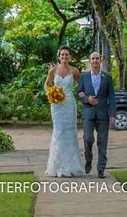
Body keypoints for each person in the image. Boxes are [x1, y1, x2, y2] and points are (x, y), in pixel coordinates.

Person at [44, 46, 86, 177]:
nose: (64, 57)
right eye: (62, 55)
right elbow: (46, 84)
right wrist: (50, 93)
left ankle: (71, 166)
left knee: (70, 132)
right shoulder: (53, 70)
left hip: (69, 105)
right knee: (58, 132)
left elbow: (82, 85)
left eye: (67, 55)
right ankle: (56, 166)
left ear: (70, 56)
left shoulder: (74, 71)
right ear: (59, 56)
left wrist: (83, 94)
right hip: (56, 105)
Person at [76, 51, 116, 178]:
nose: (95, 61)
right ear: (89, 61)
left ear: (101, 60)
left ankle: (101, 169)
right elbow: (79, 93)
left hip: (103, 113)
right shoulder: (84, 76)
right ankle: (88, 160)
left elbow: (112, 97)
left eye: (97, 58)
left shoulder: (107, 77)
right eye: (92, 59)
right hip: (88, 113)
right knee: (88, 139)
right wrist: (87, 99)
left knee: (102, 142)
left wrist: (113, 114)